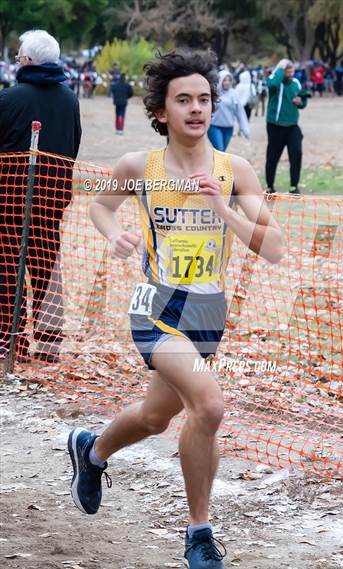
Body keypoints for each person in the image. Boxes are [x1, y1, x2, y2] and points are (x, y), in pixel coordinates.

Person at [67, 49, 283, 569]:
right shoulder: (139, 166)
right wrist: (116, 233)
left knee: (156, 416)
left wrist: (223, 211)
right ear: (161, 111)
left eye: (204, 99)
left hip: (208, 311)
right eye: (183, 99)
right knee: (208, 406)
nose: (196, 108)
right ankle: (198, 535)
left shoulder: (236, 170)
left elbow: (275, 247)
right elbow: (99, 203)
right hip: (156, 306)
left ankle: (91, 452)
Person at [0, 30, 81, 363]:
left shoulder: (9, 99)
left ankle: (9, 343)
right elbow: (73, 146)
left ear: (28, 61)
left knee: (7, 271)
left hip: (9, 201)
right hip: (52, 199)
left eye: (19, 56)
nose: (18, 60)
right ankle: (49, 346)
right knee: (47, 269)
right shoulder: (70, 99)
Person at [265, 59, 308, 195]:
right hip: (275, 125)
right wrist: (280, 69)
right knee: (273, 156)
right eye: (287, 71)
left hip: (292, 125)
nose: (290, 74)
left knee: (296, 153)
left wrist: (300, 102)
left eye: (291, 71)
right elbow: (272, 85)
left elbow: (303, 101)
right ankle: (270, 186)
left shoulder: (296, 83)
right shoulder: (274, 79)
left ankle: (294, 187)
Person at [207, 70, 249, 151]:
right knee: (220, 149)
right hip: (214, 127)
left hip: (228, 128)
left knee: (221, 152)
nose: (227, 82)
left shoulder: (234, 94)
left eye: (229, 80)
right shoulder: (214, 93)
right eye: (224, 80)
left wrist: (244, 128)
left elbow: (240, 112)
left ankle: (214, 163)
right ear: (220, 80)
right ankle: (218, 164)